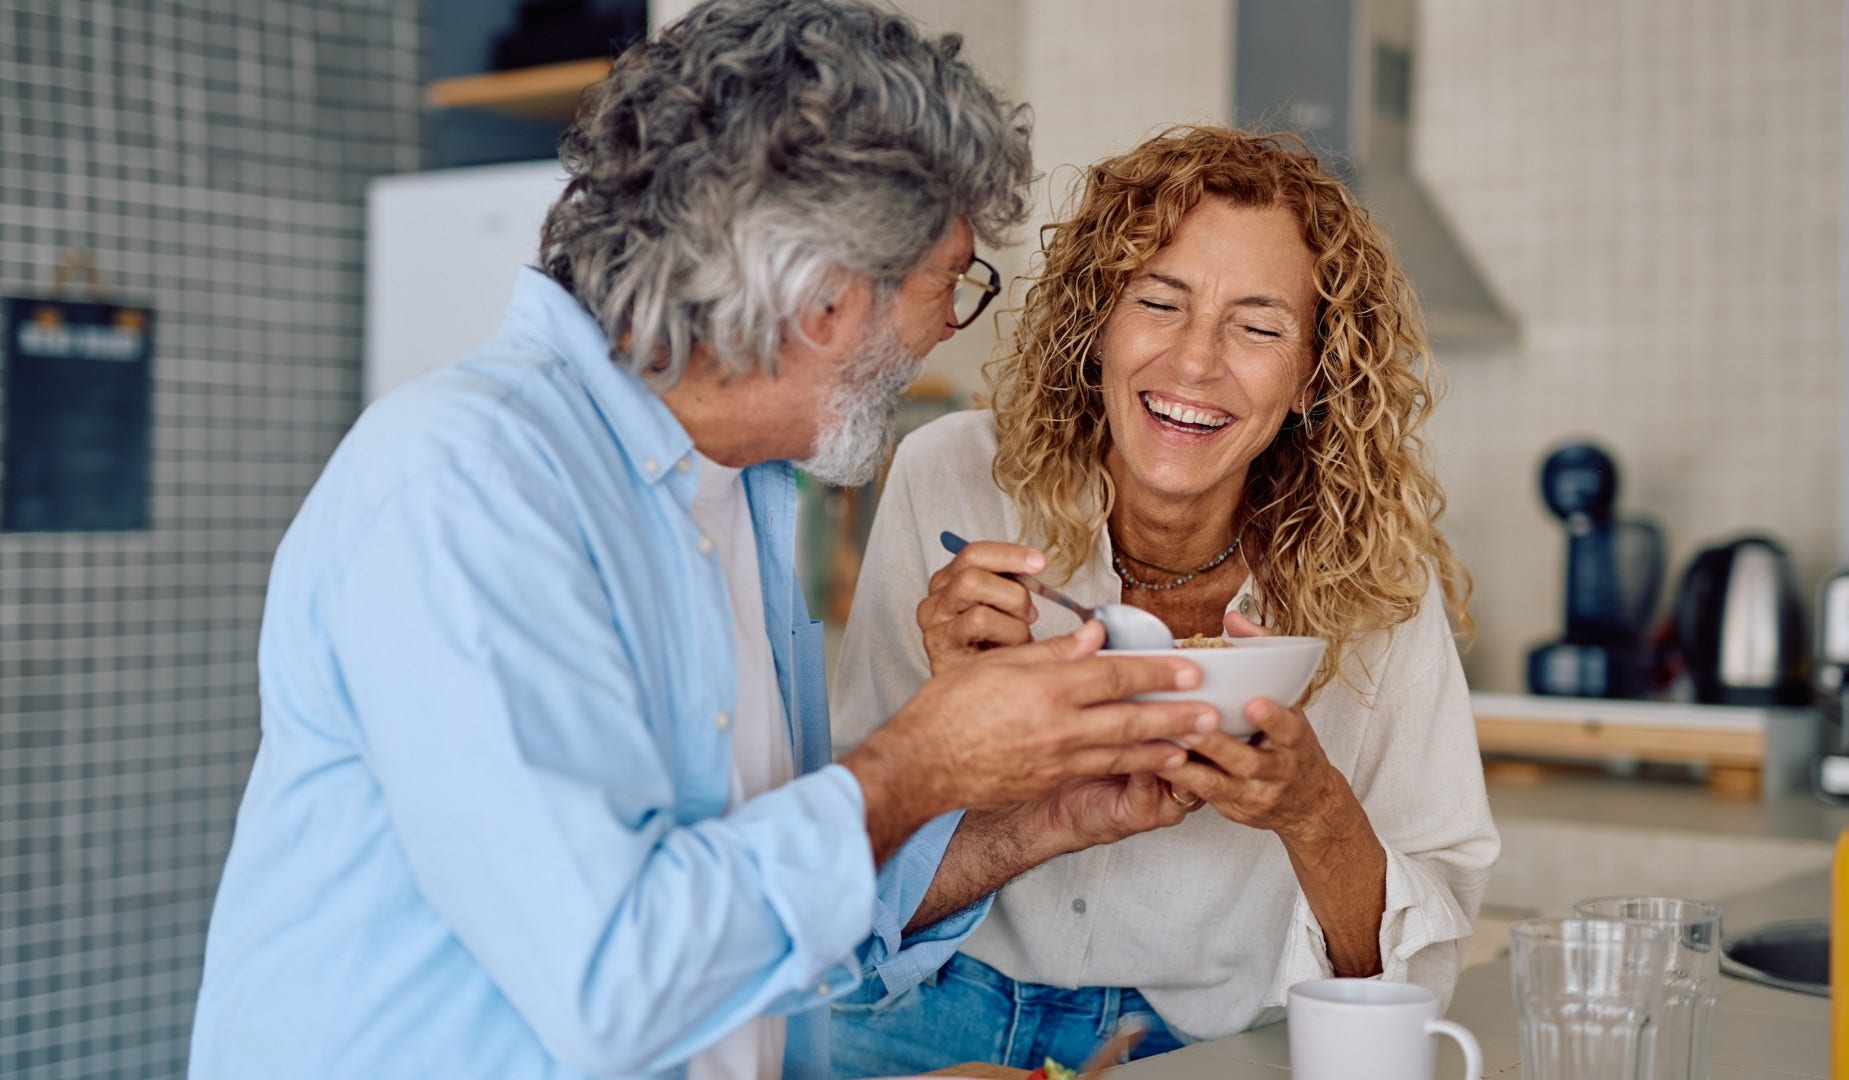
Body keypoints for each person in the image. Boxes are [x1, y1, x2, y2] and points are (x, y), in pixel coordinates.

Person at [187, 4, 1224, 1078]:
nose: (943, 331)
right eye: (952, 282)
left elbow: (757, 923)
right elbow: (616, 983)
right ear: (826, 297)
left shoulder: (740, 492)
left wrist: (1032, 825)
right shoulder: (467, 485)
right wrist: (920, 764)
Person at [829, 126, 1502, 1076]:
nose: (1194, 362)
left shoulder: (1380, 578)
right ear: (1097, 325)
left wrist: (1311, 808)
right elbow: (838, 889)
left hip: (1197, 1040)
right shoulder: (953, 481)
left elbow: (1409, 989)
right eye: (1158, 302)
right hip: (927, 994)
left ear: (1311, 376)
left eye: (1257, 327)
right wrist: (955, 737)